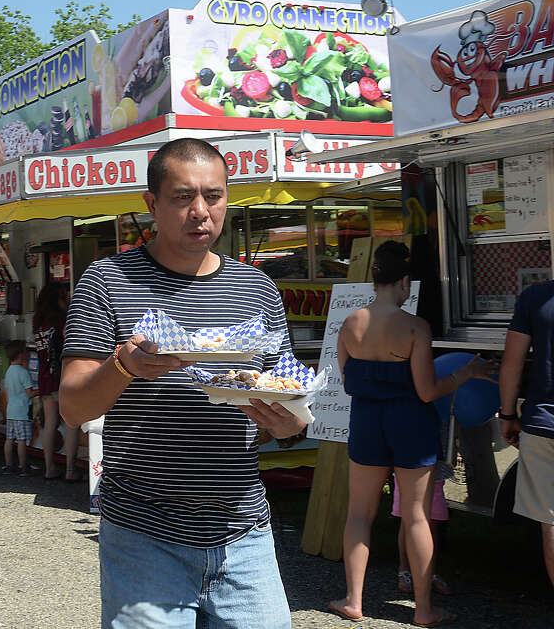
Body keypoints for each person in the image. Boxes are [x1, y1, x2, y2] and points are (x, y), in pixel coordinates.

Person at [60, 138, 305, 629]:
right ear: (151, 204)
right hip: (143, 533)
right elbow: (72, 405)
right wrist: (123, 367)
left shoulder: (256, 288)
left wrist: (288, 425)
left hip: (244, 528)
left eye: (213, 196)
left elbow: (287, 397)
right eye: (182, 197)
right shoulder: (107, 279)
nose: (200, 211)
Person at [328, 240, 492, 626]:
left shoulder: (350, 323)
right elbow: (427, 391)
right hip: (411, 425)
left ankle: (353, 600)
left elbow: (347, 379)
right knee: (416, 516)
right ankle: (423, 609)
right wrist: (465, 374)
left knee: (359, 515)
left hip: (367, 422)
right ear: (403, 282)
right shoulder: (416, 327)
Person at [500, 277, 554, 587]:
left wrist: (507, 414)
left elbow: (512, 362)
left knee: (551, 519)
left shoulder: (536, 296)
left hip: (542, 424)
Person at [33, 283, 81, 482]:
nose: (67, 301)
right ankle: (70, 470)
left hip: (44, 377)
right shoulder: (62, 320)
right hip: (62, 376)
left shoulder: (38, 322)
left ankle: (49, 468)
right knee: (72, 423)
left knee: (49, 423)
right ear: (57, 299)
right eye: (64, 297)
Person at [2, 340, 37, 475]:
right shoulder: (23, 372)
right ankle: (23, 466)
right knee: (22, 440)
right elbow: (30, 393)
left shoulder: (9, 371)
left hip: (11, 410)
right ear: (21, 354)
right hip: (22, 411)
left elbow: (6, 393)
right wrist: (42, 390)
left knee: (9, 439)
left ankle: (9, 465)